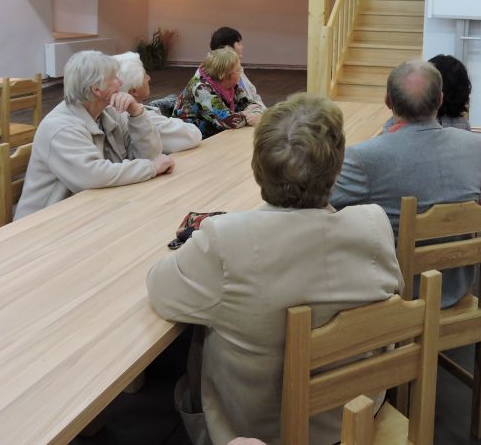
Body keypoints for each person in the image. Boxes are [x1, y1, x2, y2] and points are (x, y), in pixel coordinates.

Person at [146, 94, 403, 445]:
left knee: (199, 335)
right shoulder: (373, 225)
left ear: (258, 165)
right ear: (337, 167)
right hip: (354, 414)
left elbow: (161, 291)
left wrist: (198, 240)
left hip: (258, 433)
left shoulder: (226, 239)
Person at [331, 59, 481, 308]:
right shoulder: (474, 146)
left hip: (393, 296)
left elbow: (322, 203)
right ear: (440, 100)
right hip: (455, 288)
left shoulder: (365, 156)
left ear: (387, 101)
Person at [16, 51, 175, 219]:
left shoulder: (109, 113)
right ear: (96, 89)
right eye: (114, 78)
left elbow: (151, 156)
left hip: (91, 210)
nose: (121, 83)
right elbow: (92, 176)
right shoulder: (60, 127)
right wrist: (150, 168)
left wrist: (136, 113)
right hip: (45, 222)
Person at [113, 52, 202, 153]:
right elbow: (194, 135)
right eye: (144, 75)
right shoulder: (145, 120)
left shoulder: (112, 113)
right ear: (134, 90)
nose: (149, 78)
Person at [173, 47, 264, 139]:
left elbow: (250, 103)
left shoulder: (232, 86)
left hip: (212, 136)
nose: (240, 73)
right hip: (189, 138)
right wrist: (248, 116)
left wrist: (257, 114)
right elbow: (227, 120)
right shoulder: (202, 88)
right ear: (224, 75)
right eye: (238, 70)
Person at [209, 26, 266, 109]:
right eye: (239, 44)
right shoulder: (211, 80)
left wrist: (262, 111)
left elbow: (254, 96)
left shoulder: (236, 69)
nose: (242, 47)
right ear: (227, 48)